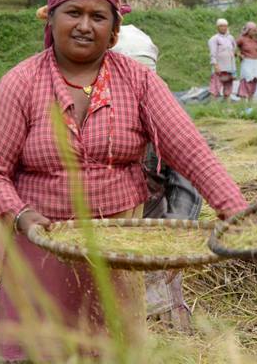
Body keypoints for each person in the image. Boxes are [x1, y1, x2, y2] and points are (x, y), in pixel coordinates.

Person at [0, 0, 248, 362]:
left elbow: (190, 149)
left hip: (114, 249)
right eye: (74, 12)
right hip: (38, 250)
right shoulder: (21, 83)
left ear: (114, 29)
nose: (85, 25)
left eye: (98, 16)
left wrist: (235, 209)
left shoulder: (138, 81)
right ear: (51, 19)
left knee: (110, 349)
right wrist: (22, 215)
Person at [111, 24, 201, 332]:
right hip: (104, 234)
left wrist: (176, 237)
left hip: (155, 231)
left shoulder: (167, 114)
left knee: (160, 318)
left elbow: (187, 181)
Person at [236, 21, 257, 100]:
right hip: (247, 61)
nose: (254, 32)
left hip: (255, 62)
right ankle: (243, 98)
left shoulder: (255, 40)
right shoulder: (242, 39)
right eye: (253, 30)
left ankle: (250, 97)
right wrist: (238, 54)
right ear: (248, 30)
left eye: (255, 30)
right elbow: (232, 46)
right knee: (247, 79)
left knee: (255, 79)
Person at [208, 18, 238, 99]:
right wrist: (215, 65)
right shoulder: (214, 39)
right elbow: (212, 53)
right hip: (220, 66)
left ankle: (227, 104)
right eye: (221, 26)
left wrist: (234, 54)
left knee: (228, 85)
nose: (223, 28)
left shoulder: (230, 38)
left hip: (230, 67)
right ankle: (213, 104)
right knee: (215, 85)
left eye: (225, 26)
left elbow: (234, 48)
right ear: (217, 27)